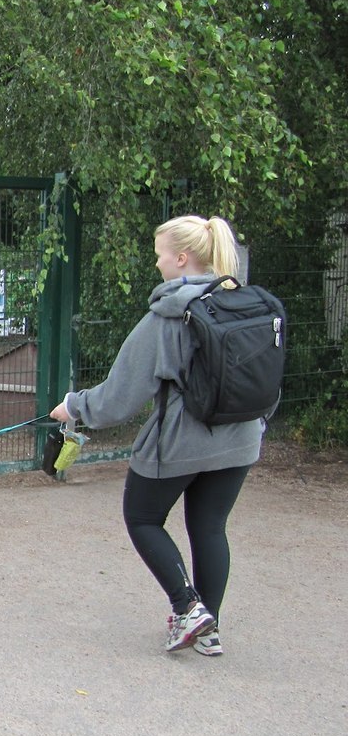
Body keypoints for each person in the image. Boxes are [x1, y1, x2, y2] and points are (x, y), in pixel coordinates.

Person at [50, 215, 270, 656]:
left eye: (160, 255)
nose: (157, 264)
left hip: (182, 444)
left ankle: (187, 608)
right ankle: (208, 631)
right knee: (210, 527)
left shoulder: (169, 314)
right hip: (241, 439)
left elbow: (121, 395)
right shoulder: (247, 303)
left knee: (143, 517)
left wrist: (75, 406)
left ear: (182, 258)